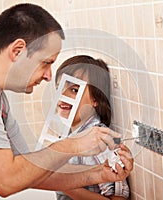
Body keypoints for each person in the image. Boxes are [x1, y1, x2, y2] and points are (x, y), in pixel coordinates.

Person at [0, 3, 134, 200]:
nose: (48, 76)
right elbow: (6, 181)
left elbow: (29, 172)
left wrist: (98, 174)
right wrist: (72, 145)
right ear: (18, 50)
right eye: (46, 63)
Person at [54, 55, 130, 200]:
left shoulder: (99, 142)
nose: (62, 95)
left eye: (74, 90)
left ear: (95, 99)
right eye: (59, 87)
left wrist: (61, 183)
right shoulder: (67, 134)